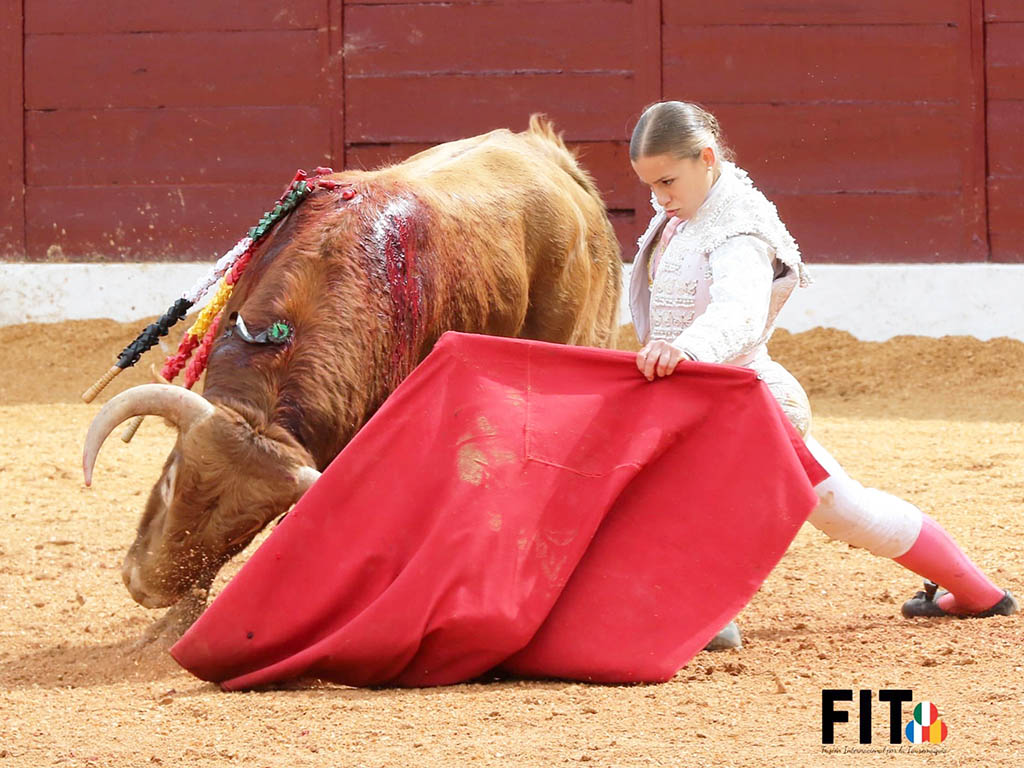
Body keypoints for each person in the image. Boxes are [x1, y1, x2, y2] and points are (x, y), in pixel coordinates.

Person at [626, 101, 1017, 647]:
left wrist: (685, 351)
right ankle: (977, 593)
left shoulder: (737, 227)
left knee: (682, 493)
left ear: (707, 158)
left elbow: (737, 313)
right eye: (650, 185)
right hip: (719, 398)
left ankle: (706, 616)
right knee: (843, 507)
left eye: (667, 180)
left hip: (744, 405)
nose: (659, 197)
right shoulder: (690, 211)